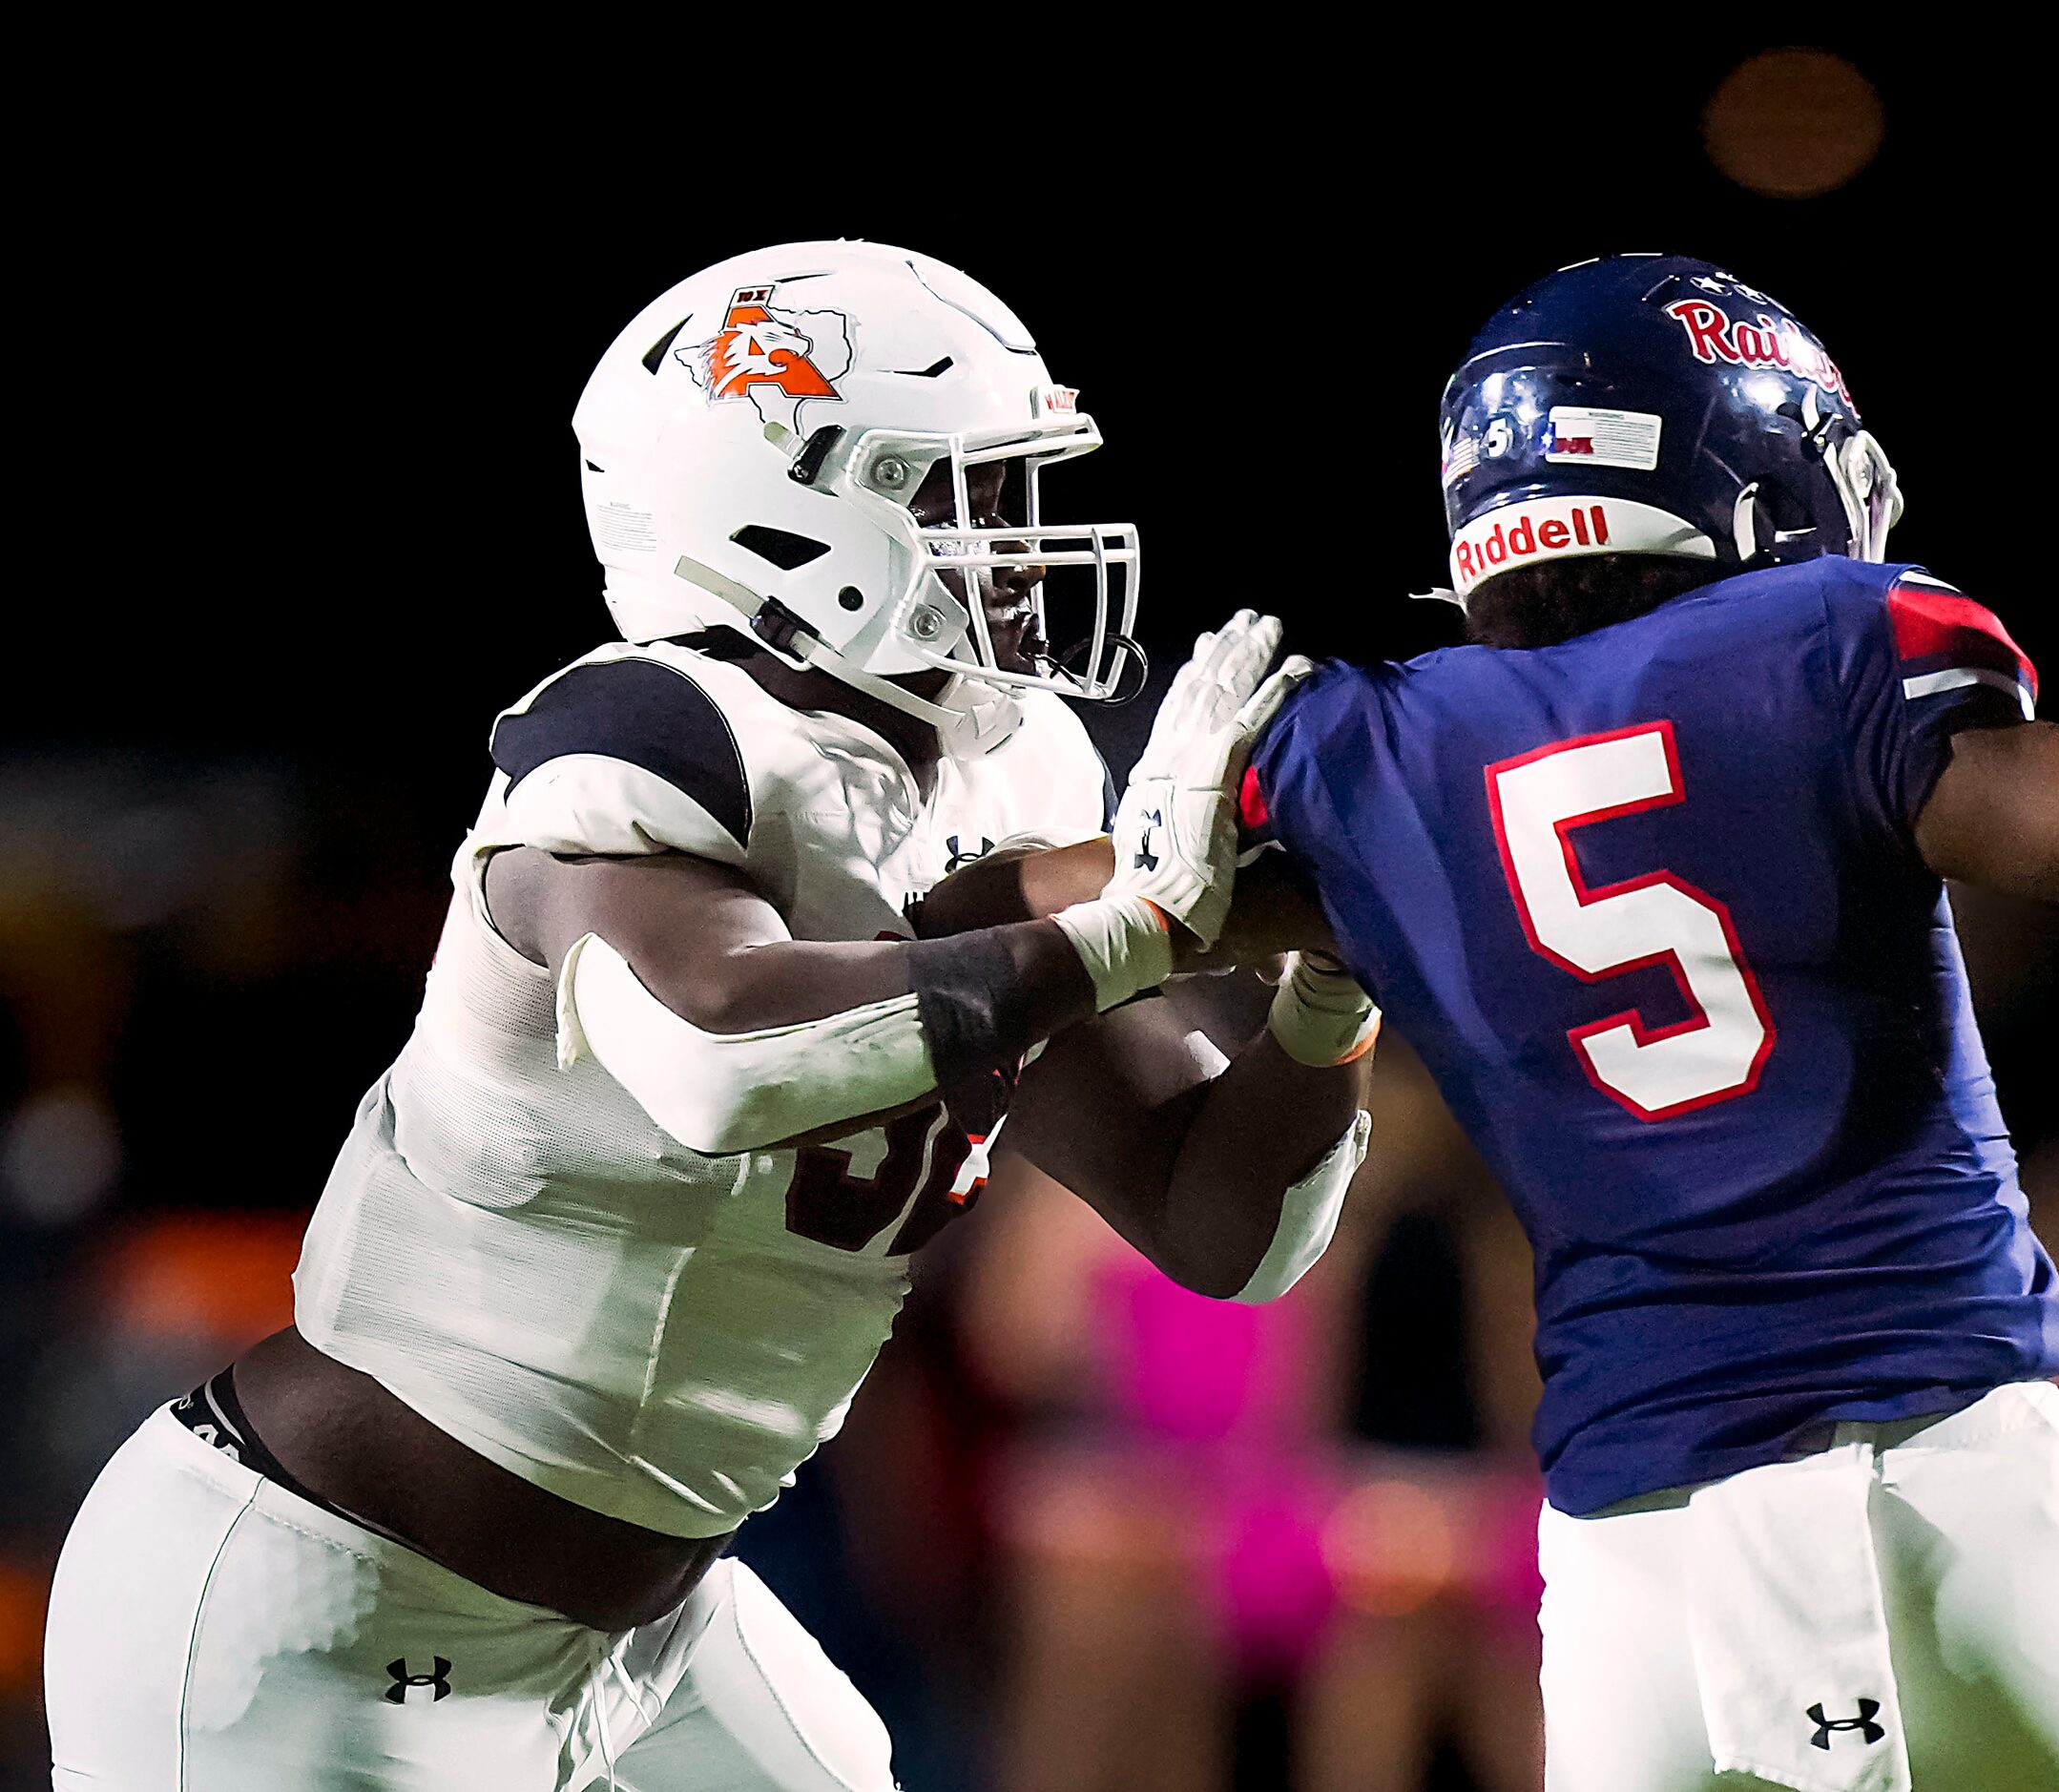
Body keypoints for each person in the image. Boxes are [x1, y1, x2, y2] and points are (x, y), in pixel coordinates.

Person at [993, 207, 2059, 1790]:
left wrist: (1157, 875)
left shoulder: (1365, 755)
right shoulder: (1825, 647)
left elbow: (999, 911)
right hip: (1942, 1495)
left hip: (1631, 1564)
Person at [43, 240, 1375, 1791]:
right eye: (966, 496)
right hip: (328, 1600)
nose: (1020, 548)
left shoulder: (1011, 777)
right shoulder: (652, 729)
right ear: (792, 508)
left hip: (652, 1632)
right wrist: (1141, 920)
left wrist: (1330, 980)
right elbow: (720, 1052)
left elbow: (1226, 1227)